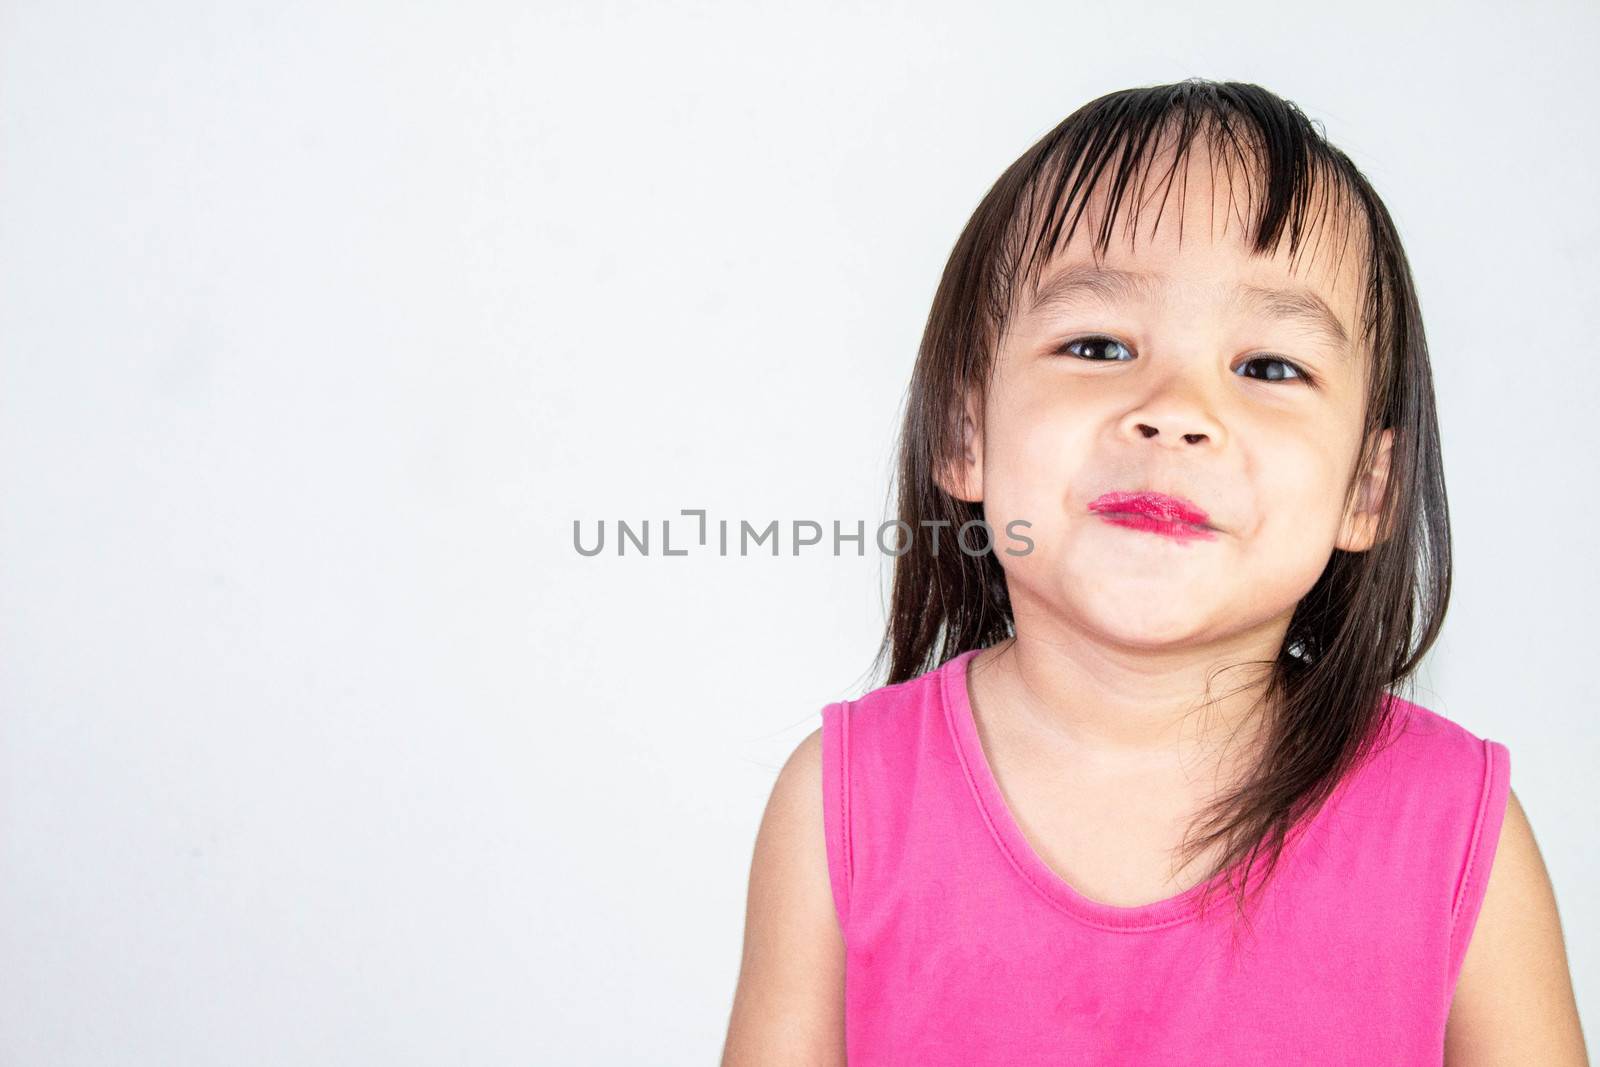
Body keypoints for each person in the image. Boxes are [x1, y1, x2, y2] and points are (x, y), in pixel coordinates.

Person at [721, 79, 1587, 1064]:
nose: (1174, 409)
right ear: (965, 434)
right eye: (1096, 345)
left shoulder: (1451, 826)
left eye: (1267, 366)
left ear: (1367, 488)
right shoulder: (844, 800)